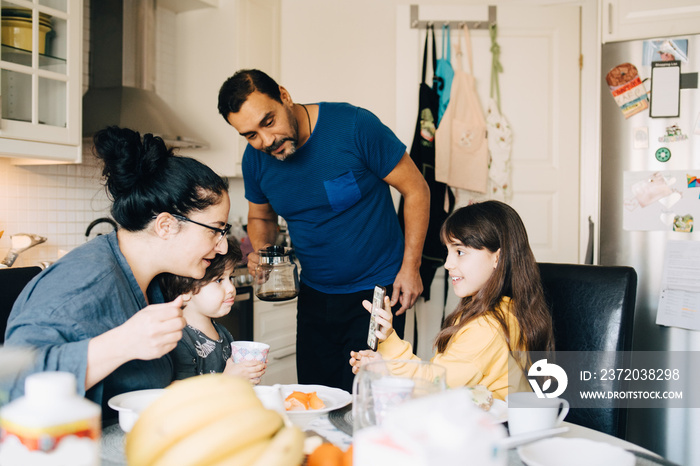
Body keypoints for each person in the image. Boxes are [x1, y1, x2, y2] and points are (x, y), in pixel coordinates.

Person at [217, 69, 430, 392]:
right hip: (315, 294)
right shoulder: (256, 161)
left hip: (375, 291)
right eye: (250, 135)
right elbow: (261, 218)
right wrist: (261, 249)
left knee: (367, 397)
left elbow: (417, 190)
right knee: (317, 396)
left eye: (268, 121)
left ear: (284, 96)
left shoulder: (354, 127)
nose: (265, 140)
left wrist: (410, 267)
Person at [3, 126, 231, 420]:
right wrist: (123, 342)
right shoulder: (86, 281)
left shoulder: (152, 282)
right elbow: (12, 383)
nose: (222, 246)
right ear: (165, 225)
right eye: (216, 230)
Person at [349, 201, 555, 400]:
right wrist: (384, 366)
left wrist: (389, 340)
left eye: (460, 252)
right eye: (448, 251)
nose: (447, 263)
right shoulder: (503, 311)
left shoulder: (488, 327)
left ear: (497, 258)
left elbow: (434, 385)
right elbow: (448, 375)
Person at [160, 237, 266, 383]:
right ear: (185, 289)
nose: (231, 288)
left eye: (231, 278)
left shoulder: (223, 334)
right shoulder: (179, 341)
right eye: (219, 280)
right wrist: (228, 380)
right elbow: (182, 399)